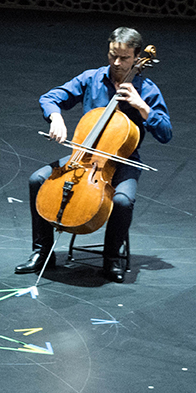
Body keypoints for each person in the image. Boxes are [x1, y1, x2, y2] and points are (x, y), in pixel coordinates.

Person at [17, 27, 173, 282]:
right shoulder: (91, 78)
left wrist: (142, 106)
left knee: (122, 201)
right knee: (37, 179)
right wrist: (55, 117)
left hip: (124, 161)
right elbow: (51, 97)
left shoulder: (146, 88)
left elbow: (165, 133)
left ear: (136, 58)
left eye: (124, 58)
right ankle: (42, 253)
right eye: (113, 55)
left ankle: (111, 258)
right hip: (83, 157)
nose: (117, 63)